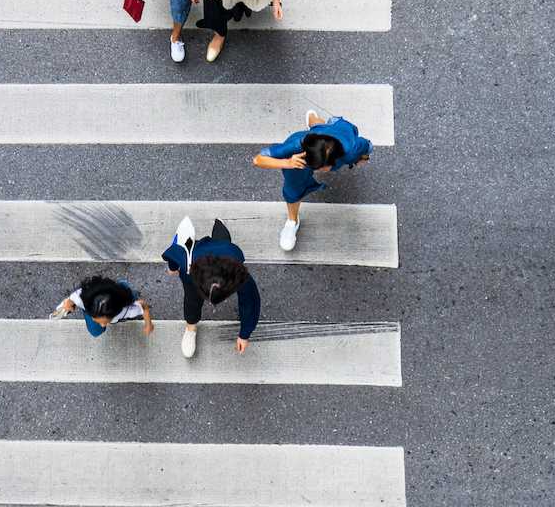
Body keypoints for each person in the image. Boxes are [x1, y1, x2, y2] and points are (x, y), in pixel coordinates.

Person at [252, 110, 373, 251]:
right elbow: (258, 159)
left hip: (336, 130)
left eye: (320, 168)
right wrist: (288, 162)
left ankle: (313, 118)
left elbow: (367, 146)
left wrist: (362, 158)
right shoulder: (297, 145)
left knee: (320, 126)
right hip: (304, 153)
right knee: (293, 188)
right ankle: (292, 221)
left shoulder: (351, 148)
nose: (319, 171)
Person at [161, 217, 260, 358]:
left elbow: (250, 301)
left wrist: (245, 333)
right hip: (204, 262)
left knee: (223, 243)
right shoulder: (187, 262)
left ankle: (219, 227)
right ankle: (191, 328)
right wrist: (173, 266)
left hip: (223, 254)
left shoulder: (236, 270)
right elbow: (173, 251)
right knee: (192, 300)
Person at [48, 275, 154, 337]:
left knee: (129, 294)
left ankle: (123, 288)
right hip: (111, 296)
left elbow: (143, 306)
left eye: (105, 321)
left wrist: (148, 324)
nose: (103, 325)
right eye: (99, 321)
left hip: (121, 299)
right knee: (95, 332)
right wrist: (67, 305)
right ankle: (121, 286)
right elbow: (71, 300)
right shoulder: (82, 298)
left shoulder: (125, 310)